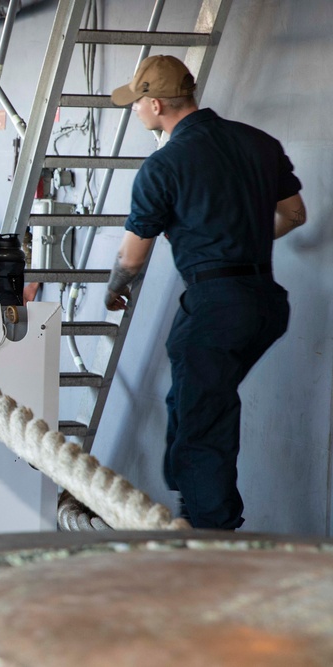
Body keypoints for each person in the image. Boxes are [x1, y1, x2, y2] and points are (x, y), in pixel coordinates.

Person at [104, 55, 307, 530]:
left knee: (201, 423)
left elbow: (131, 259)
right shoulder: (259, 142)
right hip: (265, 302)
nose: (135, 111)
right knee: (195, 402)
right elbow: (295, 215)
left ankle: (211, 535)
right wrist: (244, 239)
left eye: (137, 103)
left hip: (217, 304)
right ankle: (194, 509)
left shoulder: (163, 165)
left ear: (156, 104)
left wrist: (113, 292)